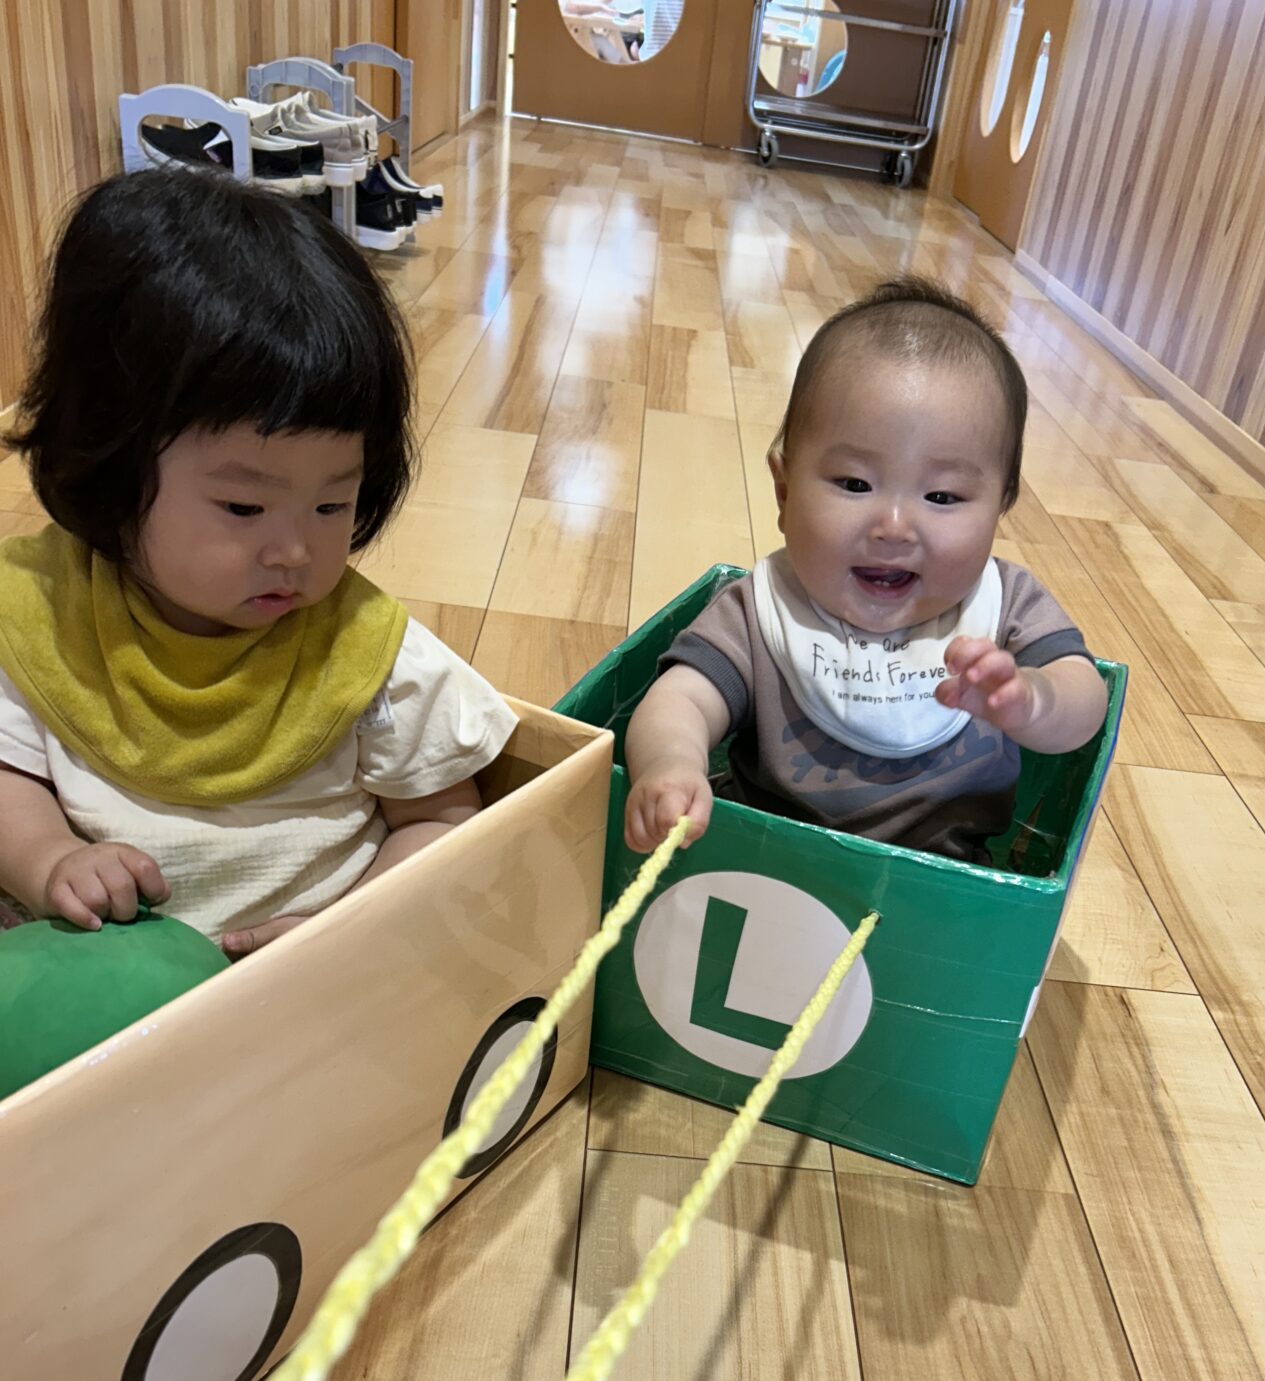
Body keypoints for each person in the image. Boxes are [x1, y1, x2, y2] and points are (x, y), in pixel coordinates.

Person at [0, 165, 516, 957]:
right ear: (111, 462)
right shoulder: (39, 615)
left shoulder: (368, 660)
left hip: (306, 988)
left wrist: (346, 930)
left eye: (332, 505)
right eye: (244, 509)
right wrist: (49, 858)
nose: (296, 551)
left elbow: (443, 818)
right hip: (91, 983)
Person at [623, 276, 1108, 865]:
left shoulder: (1005, 606)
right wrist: (671, 763)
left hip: (947, 878)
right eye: (855, 484)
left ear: (1000, 508)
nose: (894, 526)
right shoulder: (759, 611)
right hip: (761, 861)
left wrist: (1032, 701)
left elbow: (1085, 700)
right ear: (784, 491)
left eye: (943, 496)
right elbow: (681, 699)